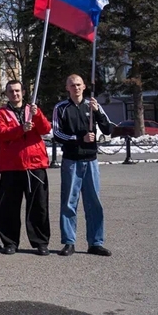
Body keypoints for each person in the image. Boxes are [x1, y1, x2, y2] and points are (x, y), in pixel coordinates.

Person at [52, 74, 113, 257]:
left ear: (84, 86)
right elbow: (56, 133)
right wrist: (79, 139)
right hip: (71, 161)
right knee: (69, 203)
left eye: (78, 84)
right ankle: (69, 242)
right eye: (72, 85)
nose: (76, 88)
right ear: (67, 88)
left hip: (91, 161)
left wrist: (99, 113)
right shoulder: (61, 108)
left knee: (94, 203)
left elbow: (108, 129)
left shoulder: (93, 105)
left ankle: (95, 242)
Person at [0, 80, 53, 256]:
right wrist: (21, 129)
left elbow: (45, 129)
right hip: (11, 166)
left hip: (35, 164)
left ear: (24, 92)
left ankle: (40, 242)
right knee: (9, 207)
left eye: (18, 91)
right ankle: (10, 242)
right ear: (7, 94)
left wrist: (37, 116)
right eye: (11, 91)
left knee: (39, 206)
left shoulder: (32, 110)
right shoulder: (1, 113)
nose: (15, 94)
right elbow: (0, 133)